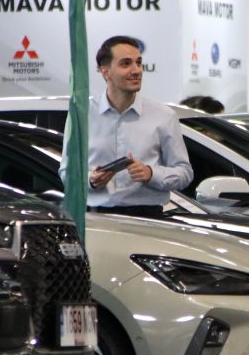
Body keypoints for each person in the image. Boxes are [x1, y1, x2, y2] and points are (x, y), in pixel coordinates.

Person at [60, 35, 193, 218]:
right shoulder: (82, 114)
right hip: (97, 220)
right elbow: (67, 172)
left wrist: (151, 173)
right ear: (105, 72)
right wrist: (89, 180)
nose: (136, 70)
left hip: (149, 219)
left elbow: (184, 172)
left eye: (138, 63)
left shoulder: (163, 116)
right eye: (126, 64)